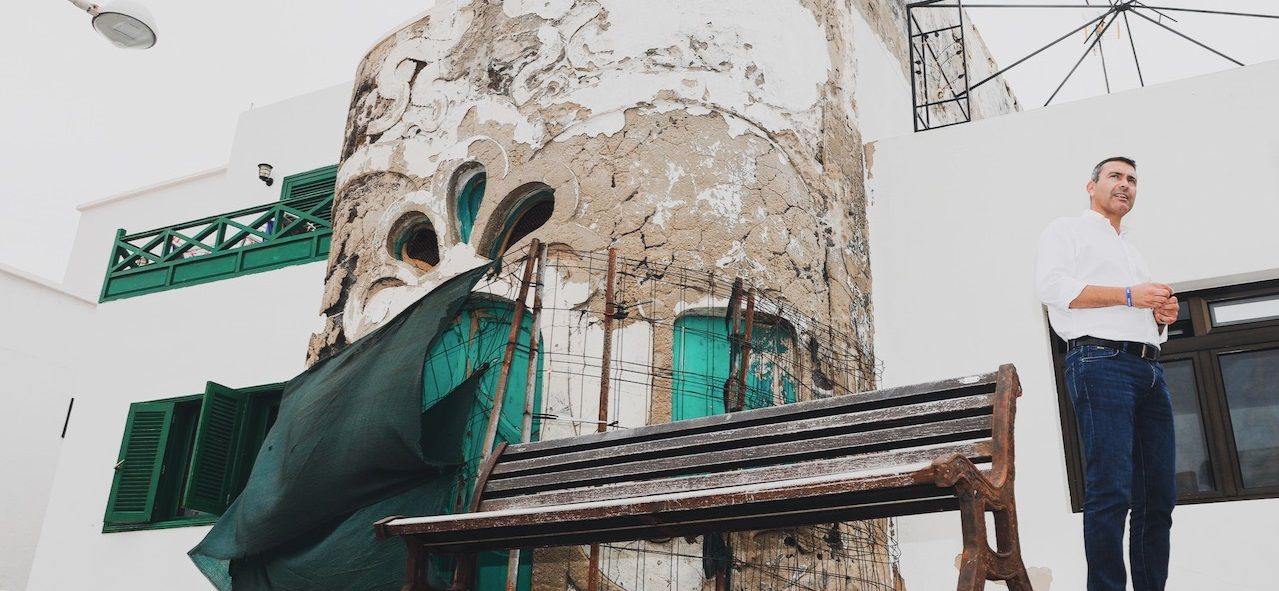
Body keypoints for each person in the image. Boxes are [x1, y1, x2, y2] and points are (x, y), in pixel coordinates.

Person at [1035, 156, 1180, 591]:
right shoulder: (1066, 230)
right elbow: (1054, 289)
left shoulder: (1132, 250)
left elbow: (1138, 313)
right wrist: (1130, 294)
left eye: (1132, 180)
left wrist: (1162, 317)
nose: (1125, 185)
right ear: (1091, 185)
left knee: (1158, 499)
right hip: (1100, 363)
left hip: (1149, 370)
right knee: (1110, 490)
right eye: (1115, 176)